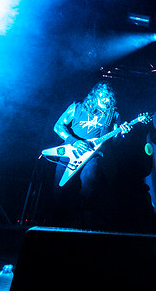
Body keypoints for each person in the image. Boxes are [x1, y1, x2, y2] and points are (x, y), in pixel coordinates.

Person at [51, 82, 132, 228]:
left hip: (93, 156)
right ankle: (55, 226)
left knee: (88, 186)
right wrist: (74, 141)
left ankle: (84, 226)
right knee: (60, 191)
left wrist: (122, 134)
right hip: (70, 152)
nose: (106, 100)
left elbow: (114, 142)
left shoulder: (113, 115)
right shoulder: (77, 108)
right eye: (102, 96)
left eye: (109, 97)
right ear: (94, 95)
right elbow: (58, 126)